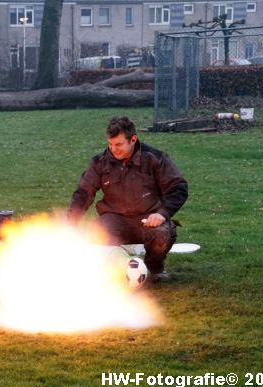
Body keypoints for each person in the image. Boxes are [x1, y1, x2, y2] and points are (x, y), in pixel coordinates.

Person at [67, 116, 188, 281]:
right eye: (110, 144)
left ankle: (154, 269)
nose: (113, 149)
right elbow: (83, 193)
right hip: (114, 218)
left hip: (148, 219)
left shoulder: (155, 159)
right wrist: (71, 222)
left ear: (133, 139)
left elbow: (178, 187)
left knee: (162, 232)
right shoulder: (100, 163)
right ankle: (115, 271)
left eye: (118, 145)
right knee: (98, 233)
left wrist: (162, 213)